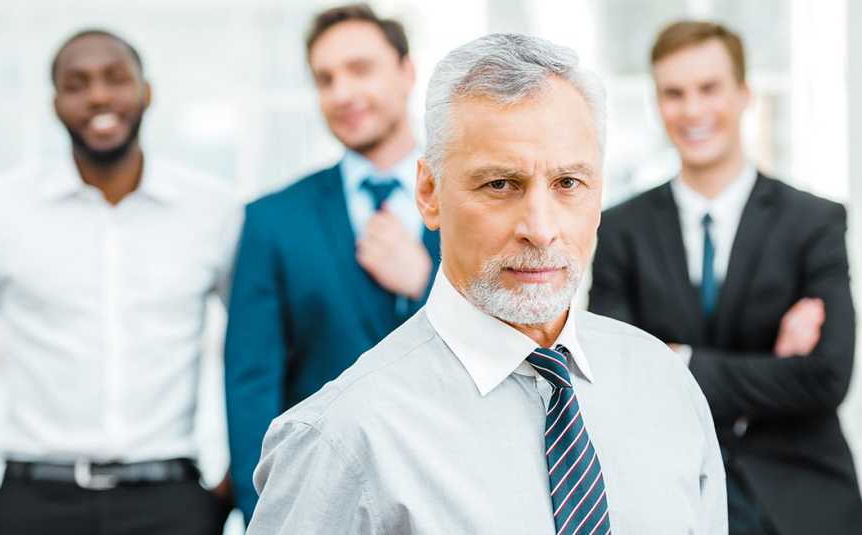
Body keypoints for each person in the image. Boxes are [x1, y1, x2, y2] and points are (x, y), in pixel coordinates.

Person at [245, 33, 727, 534]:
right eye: (500, 184)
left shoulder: (665, 385)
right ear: (429, 193)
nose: (541, 228)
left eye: (568, 183)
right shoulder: (343, 439)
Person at [0, 29, 237, 535]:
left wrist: (223, 495)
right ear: (55, 103)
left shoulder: (214, 211)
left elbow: (258, 354)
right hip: (30, 503)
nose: (97, 96)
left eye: (116, 78)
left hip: (171, 502)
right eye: (76, 84)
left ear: (146, 91)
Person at [589, 20, 862, 535]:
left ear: (743, 95)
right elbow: (616, 373)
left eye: (709, 89)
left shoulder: (814, 221)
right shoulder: (621, 229)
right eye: (674, 93)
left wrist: (679, 360)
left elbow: (828, 376)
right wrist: (773, 372)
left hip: (804, 497)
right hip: (674, 494)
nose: (692, 110)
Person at [224, 3, 439, 521]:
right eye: (325, 79)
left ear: (407, 72)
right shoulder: (272, 220)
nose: (341, 93)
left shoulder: (477, 200)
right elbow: (252, 388)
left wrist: (427, 285)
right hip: (321, 508)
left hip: (452, 496)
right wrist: (266, 517)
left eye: (360, 69)